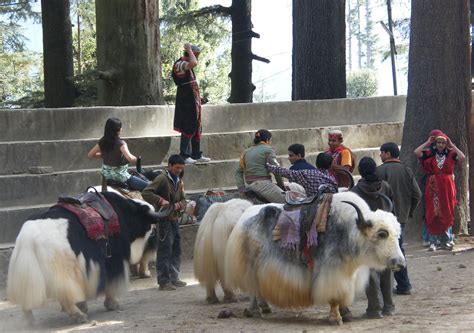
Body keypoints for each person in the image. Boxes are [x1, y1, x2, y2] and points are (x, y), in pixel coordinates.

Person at [350, 156, 394, 319]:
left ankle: (375, 308)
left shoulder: (355, 192)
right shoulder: (386, 187)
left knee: (370, 271)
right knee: (386, 270)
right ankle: (388, 306)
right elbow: (392, 208)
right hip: (386, 233)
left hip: (367, 235)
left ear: (360, 171)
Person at [377, 142, 421, 296]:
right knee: (398, 249)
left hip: (383, 218)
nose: (380, 155)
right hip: (400, 217)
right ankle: (403, 285)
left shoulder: (380, 170)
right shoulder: (406, 170)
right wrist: (409, 211)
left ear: (387, 154)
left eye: (381, 152)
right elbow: (417, 194)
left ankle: (386, 287)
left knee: (381, 251)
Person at [142, 155, 188, 291]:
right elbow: (146, 192)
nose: (179, 170)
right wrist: (161, 201)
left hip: (174, 220)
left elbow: (184, 200)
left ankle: (174, 278)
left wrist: (180, 205)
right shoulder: (162, 178)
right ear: (170, 166)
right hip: (164, 221)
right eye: (177, 168)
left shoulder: (179, 181)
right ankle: (164, 281)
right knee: (165, 251)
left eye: (181, 168)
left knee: (176, 250)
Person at [414, 131, 465, 252]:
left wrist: (452, 145)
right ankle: (433, 241)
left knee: (447, 211)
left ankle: (446, 240)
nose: (441, 145)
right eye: (438, 142)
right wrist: (427, 142)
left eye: (443, 142)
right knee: (433, 212)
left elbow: (462, 157)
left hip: (447, 187)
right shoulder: (428, 154)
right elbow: (416, 152)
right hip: (433, 186)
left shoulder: (451, 154)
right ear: (435, 143)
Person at [172, 43, 210, 165]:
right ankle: (184, 154)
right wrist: (188, 49)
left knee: (196, 127)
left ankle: (196, 154)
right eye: (195, 54)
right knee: (188, 126)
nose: (196, 57)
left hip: (193, 101)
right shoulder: (180, 64)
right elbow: (194, 63)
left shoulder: (188, 67)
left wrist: (199, 99)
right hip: (186, 101)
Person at [88, 117, 149, 191]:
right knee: (149, 187)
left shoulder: (102, 141)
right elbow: (129, 157)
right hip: (121, 177)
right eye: (120, 127)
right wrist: (136, 159)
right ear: (118, 129)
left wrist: (103, 155)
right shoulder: (121, 143)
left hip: (106, 177)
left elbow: (90, 155)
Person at [235, 129, 286, 203]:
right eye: (271, 140)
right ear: (268, 140)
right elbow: (276, 170)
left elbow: (238, 172)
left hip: (250, 186)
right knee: (288, 202)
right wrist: (281, 185)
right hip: (263, 185)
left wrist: (241, 188)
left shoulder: (246, 151)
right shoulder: (268, 149)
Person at [266, 153, 337, 197]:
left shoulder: (307, 173)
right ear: (330, 166)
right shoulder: (332, 180)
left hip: (310, 207)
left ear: (316, 163)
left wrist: (268, 166)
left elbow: (285, 172)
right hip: (327, 209)